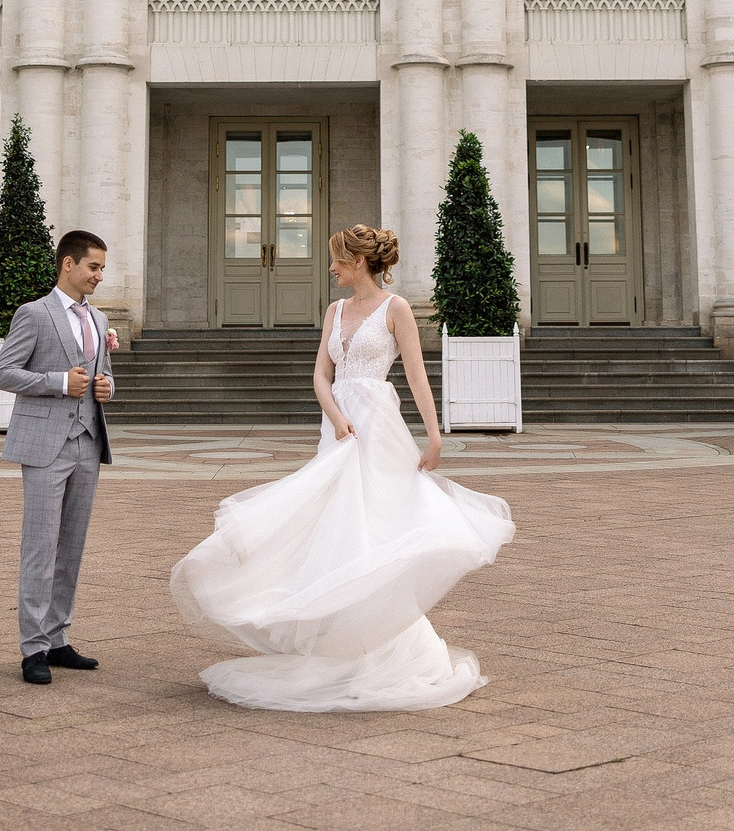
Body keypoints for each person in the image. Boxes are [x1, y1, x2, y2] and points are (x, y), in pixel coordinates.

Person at [169, 223, 515, 712]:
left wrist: (435, 435)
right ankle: (339, 640)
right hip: (339, 431)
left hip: (381, 428)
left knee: (377, 524)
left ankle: (381, 642)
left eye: (336, 260)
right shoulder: (334, 311)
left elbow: (416, 374)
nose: (330, 268)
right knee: (333, 523)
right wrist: (335, 417)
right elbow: (320, 373)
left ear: (358, 262)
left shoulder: (396, 310)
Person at [0, 230, 116, 685]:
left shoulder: (99, 320)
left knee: (71, 547)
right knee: (40, 547)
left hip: (87, 440)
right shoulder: (34, 313)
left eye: (102, 268)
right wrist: (59, 382)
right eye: (93, 267)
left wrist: (106, 387)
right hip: (45, 445)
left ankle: (58, 638)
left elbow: (103, 377)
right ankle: (33, 649)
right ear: (68, 264)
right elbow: (2, 373)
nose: (100, 276)